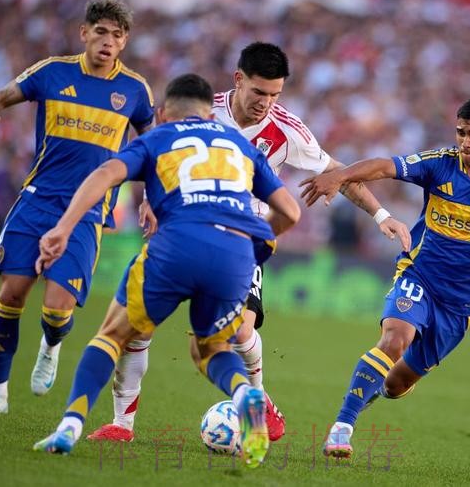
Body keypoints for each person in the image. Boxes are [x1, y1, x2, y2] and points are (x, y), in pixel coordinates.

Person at [87, 42, 411, 444]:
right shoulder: (204, 112)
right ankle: (121, 424)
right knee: (136, 328)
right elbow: (160, 152)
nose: (266, 103)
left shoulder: (287, 130)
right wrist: (151, 200)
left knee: (240, 332)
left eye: (275, 94)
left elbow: (337, 173)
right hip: (179, 231)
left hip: (241, 243)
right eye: (259, 92)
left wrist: (381, 215)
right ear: (238, 79)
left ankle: (258, 400)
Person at [31, 73, 301, 469]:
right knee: (210, 349)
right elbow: (290, 212)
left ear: (160, 114)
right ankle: (246, 395)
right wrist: (256, 244)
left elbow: (105, 174)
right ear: (210, 114)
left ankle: (69, 425)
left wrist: (63, 227)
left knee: (113, 335)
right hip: (234, 255)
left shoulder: (158, 137)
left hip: (178, 244)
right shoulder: (239, 145)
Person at [299, 94, 470, 457]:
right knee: (394, 340)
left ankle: (378, 387)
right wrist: (339, 176)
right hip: (419, 276)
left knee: (396, 383)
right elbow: (384, 167)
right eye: (461, 132)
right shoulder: (440, 163)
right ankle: (342, 428)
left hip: (463, 301)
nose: (465, 141)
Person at [0, 0, 154, 414]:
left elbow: (154, 148)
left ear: (124, 42)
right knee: (12, 294)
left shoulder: (135, 90)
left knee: (56, 309)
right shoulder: (53, 71)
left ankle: (50, 346)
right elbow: (3, 93)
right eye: (101, 32)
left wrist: (152, 200)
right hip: (37, 200)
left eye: (117, 35)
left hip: (88, 211)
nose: (108, 41)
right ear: (84, 33)